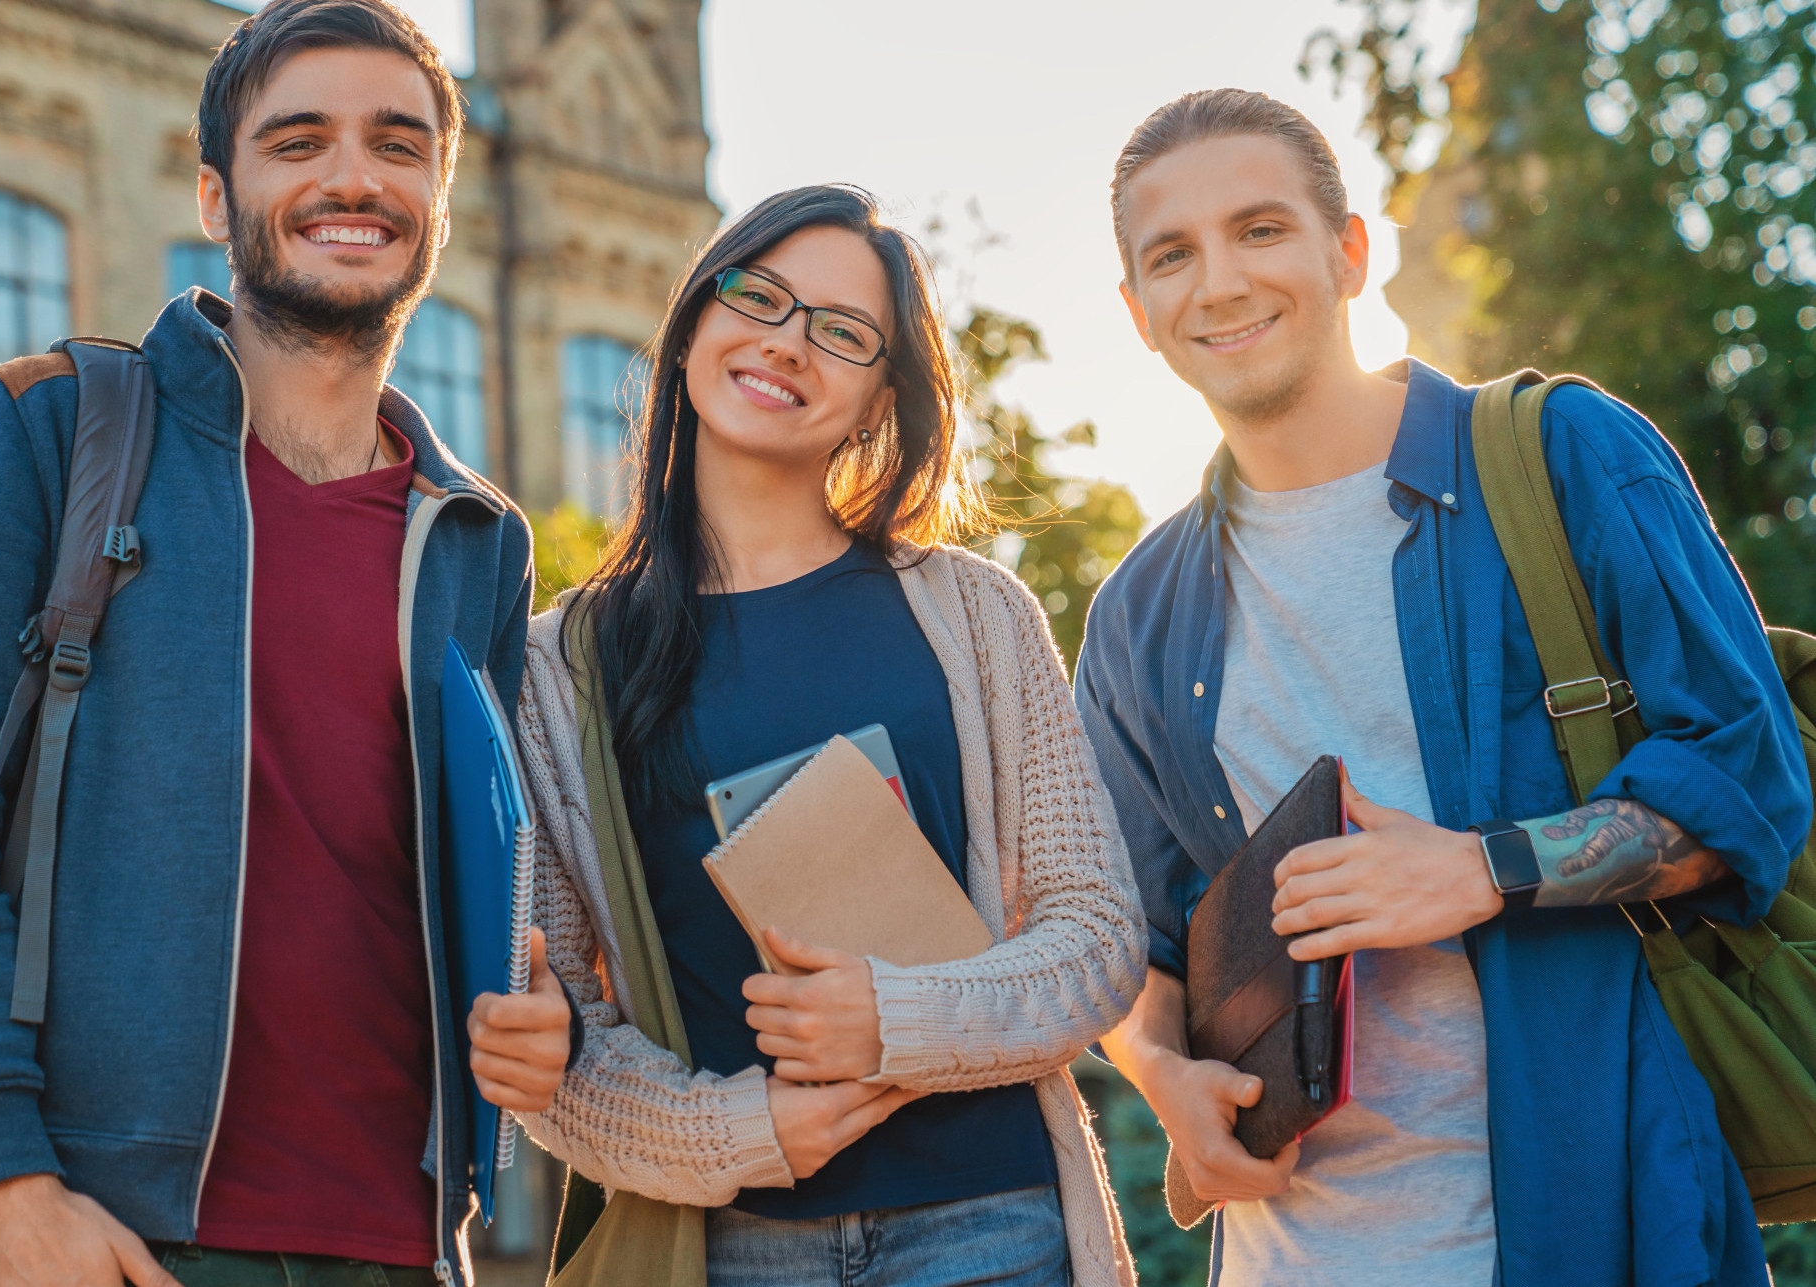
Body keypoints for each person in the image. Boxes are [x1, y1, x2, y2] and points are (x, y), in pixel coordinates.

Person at [0, 0, 575, 1287]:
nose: (353, 174)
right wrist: (6, 1178)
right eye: (299, 140)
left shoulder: (475, 538)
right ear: (216, 198)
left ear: (437, 205)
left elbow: (467, 882)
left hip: (404, 1245)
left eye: (398, 143)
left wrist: (538, 1007)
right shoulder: (49, 433)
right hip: (109, 1230)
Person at [1076, 87, 1812, 1287]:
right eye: (1173, 254)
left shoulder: (1565, 456)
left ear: (1349, 251)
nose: (1217, 282)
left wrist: (1475, 869)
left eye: (1259, 229)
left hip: (1597, 1228)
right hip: (1287, 1258)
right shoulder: (1137, 615)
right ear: (1136, 310)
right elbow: (1132, 941)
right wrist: (1166, 1076)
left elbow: (1746, 784)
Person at [510, 183, 1146, 1287]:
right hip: (730, 1252)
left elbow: (1096, 941)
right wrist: (748, 1130)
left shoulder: (976, 616)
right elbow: (553, 1043)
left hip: (991, 1231)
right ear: (694, 324)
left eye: (843, 332)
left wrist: (893, 1018)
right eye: (758, 298)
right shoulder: (556, 667)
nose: (786, 343)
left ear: (878, 400)